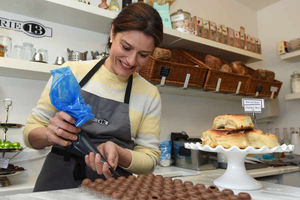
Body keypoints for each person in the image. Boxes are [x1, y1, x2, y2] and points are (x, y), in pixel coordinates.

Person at [23, 2, 163, 192]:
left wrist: (120, 153)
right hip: (56, 186)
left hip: (113, 188)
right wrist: (49, 134)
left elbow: (150, 158)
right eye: (126, 47)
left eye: (143, 55)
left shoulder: (149, 95)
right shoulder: (72, 73)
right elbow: (30, 132)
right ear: (112, 33)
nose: (131, 61)